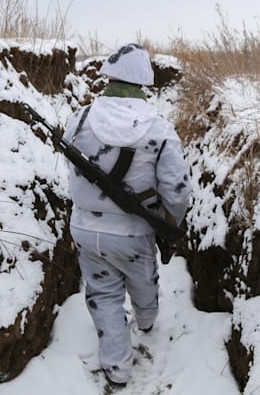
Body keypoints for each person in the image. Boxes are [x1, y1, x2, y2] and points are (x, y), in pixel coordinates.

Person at [62, 43, 191, 387]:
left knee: (103, 295)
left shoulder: (80, 118)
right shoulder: (158, 128)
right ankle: (147, 323)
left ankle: (117, 368)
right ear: (144, 82)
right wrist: (169, 220)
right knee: (142, 280)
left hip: (85, 228)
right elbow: (177, 189)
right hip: (134, 232)